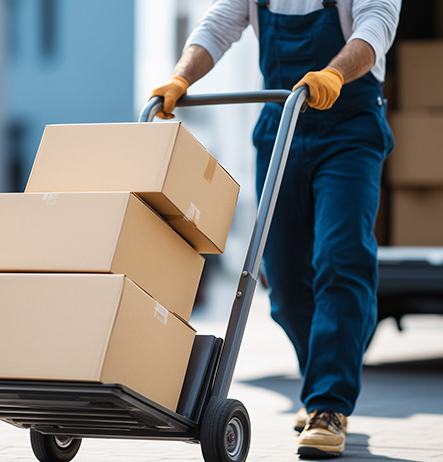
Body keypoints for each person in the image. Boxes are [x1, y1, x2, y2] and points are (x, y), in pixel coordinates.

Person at [151, 0, 401, 458]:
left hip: (349, 126)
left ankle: (328, 404)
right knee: (283, 282)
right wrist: (182, 76)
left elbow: (377, 25)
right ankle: (323, 379)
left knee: (340, 258)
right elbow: (220, 24)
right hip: (282, 121)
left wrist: (334, 73)